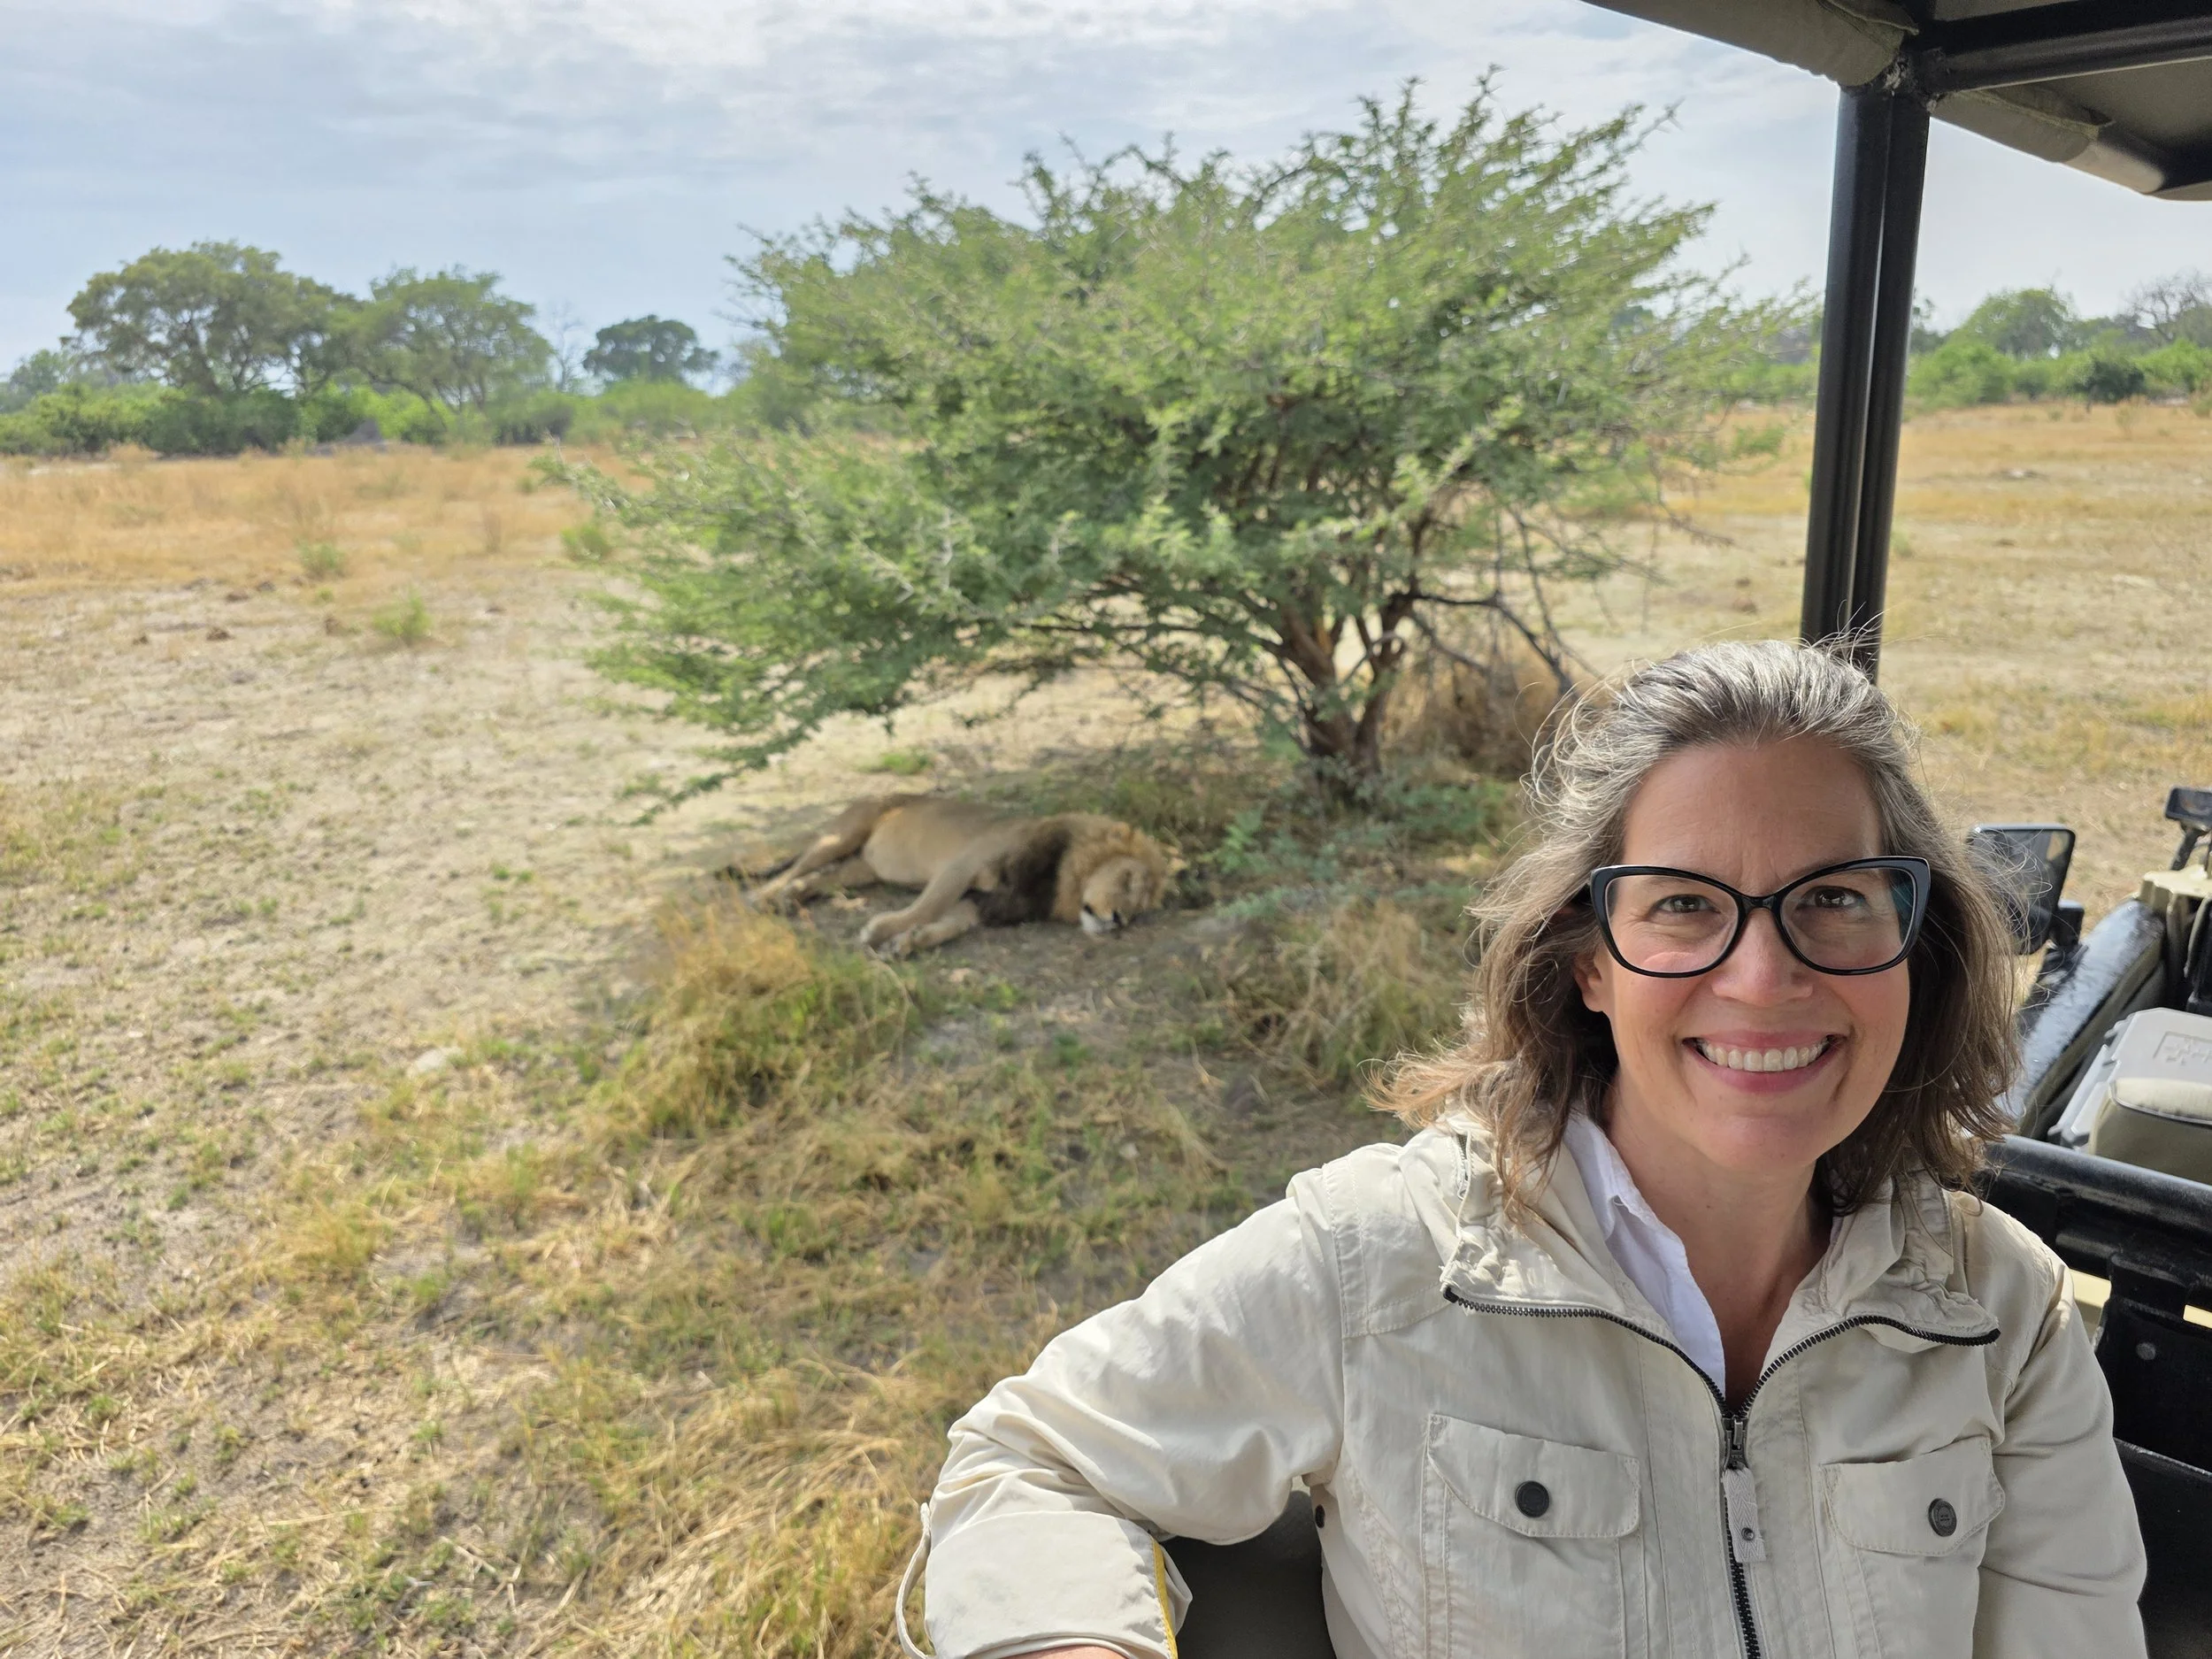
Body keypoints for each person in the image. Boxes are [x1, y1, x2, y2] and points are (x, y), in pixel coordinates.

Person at [902, 640, 2146, 1659]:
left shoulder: (2001, 1311)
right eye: (1682, 905)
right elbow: (1025, 1460)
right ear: (1589, 962)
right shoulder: (1381, 1263)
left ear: (1912, 949)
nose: (1763, 978)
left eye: (1834, 897)